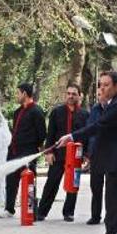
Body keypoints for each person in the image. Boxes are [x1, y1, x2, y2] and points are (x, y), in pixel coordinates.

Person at [57, 71, 117, 234]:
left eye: (106, 85)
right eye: (100, 85)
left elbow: (98, 127)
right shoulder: (110, 105)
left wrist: (72, 136)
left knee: (112, 201)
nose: (102, 88)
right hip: (113, 159)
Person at [38, 83, 89, 222]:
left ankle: (68, 212)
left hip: (75, 156)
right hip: (58, 154)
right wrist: (48, 152)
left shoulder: (85, 114)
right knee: (51, 183)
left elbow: (87, 136)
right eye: (69, 93)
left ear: (79, 96)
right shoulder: (57, 112)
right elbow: (51, 134)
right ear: (65, 95)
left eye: (74, 94)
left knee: (73, 183)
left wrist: (86, 155)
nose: (71, 96)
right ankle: (41, 212)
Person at [0, 83, 46, 218]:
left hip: (28, 152)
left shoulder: (37, 111)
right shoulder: (17, 112)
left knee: (29, 181)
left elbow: (42, 134)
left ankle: (30, 210)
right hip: (14, 151)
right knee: (11, 181)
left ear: (24, 94)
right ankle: (9, 209)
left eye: (18, 93)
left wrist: (33, 148)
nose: (17, 96)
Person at [85, 101, 104, 225]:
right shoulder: (95, 109)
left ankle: (114, 215)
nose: (101, 95)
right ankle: (95, 215)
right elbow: (89, 129)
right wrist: (87, 152)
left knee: (114, 188)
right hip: (95, 152)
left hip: (112, 152)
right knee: (96, 186)